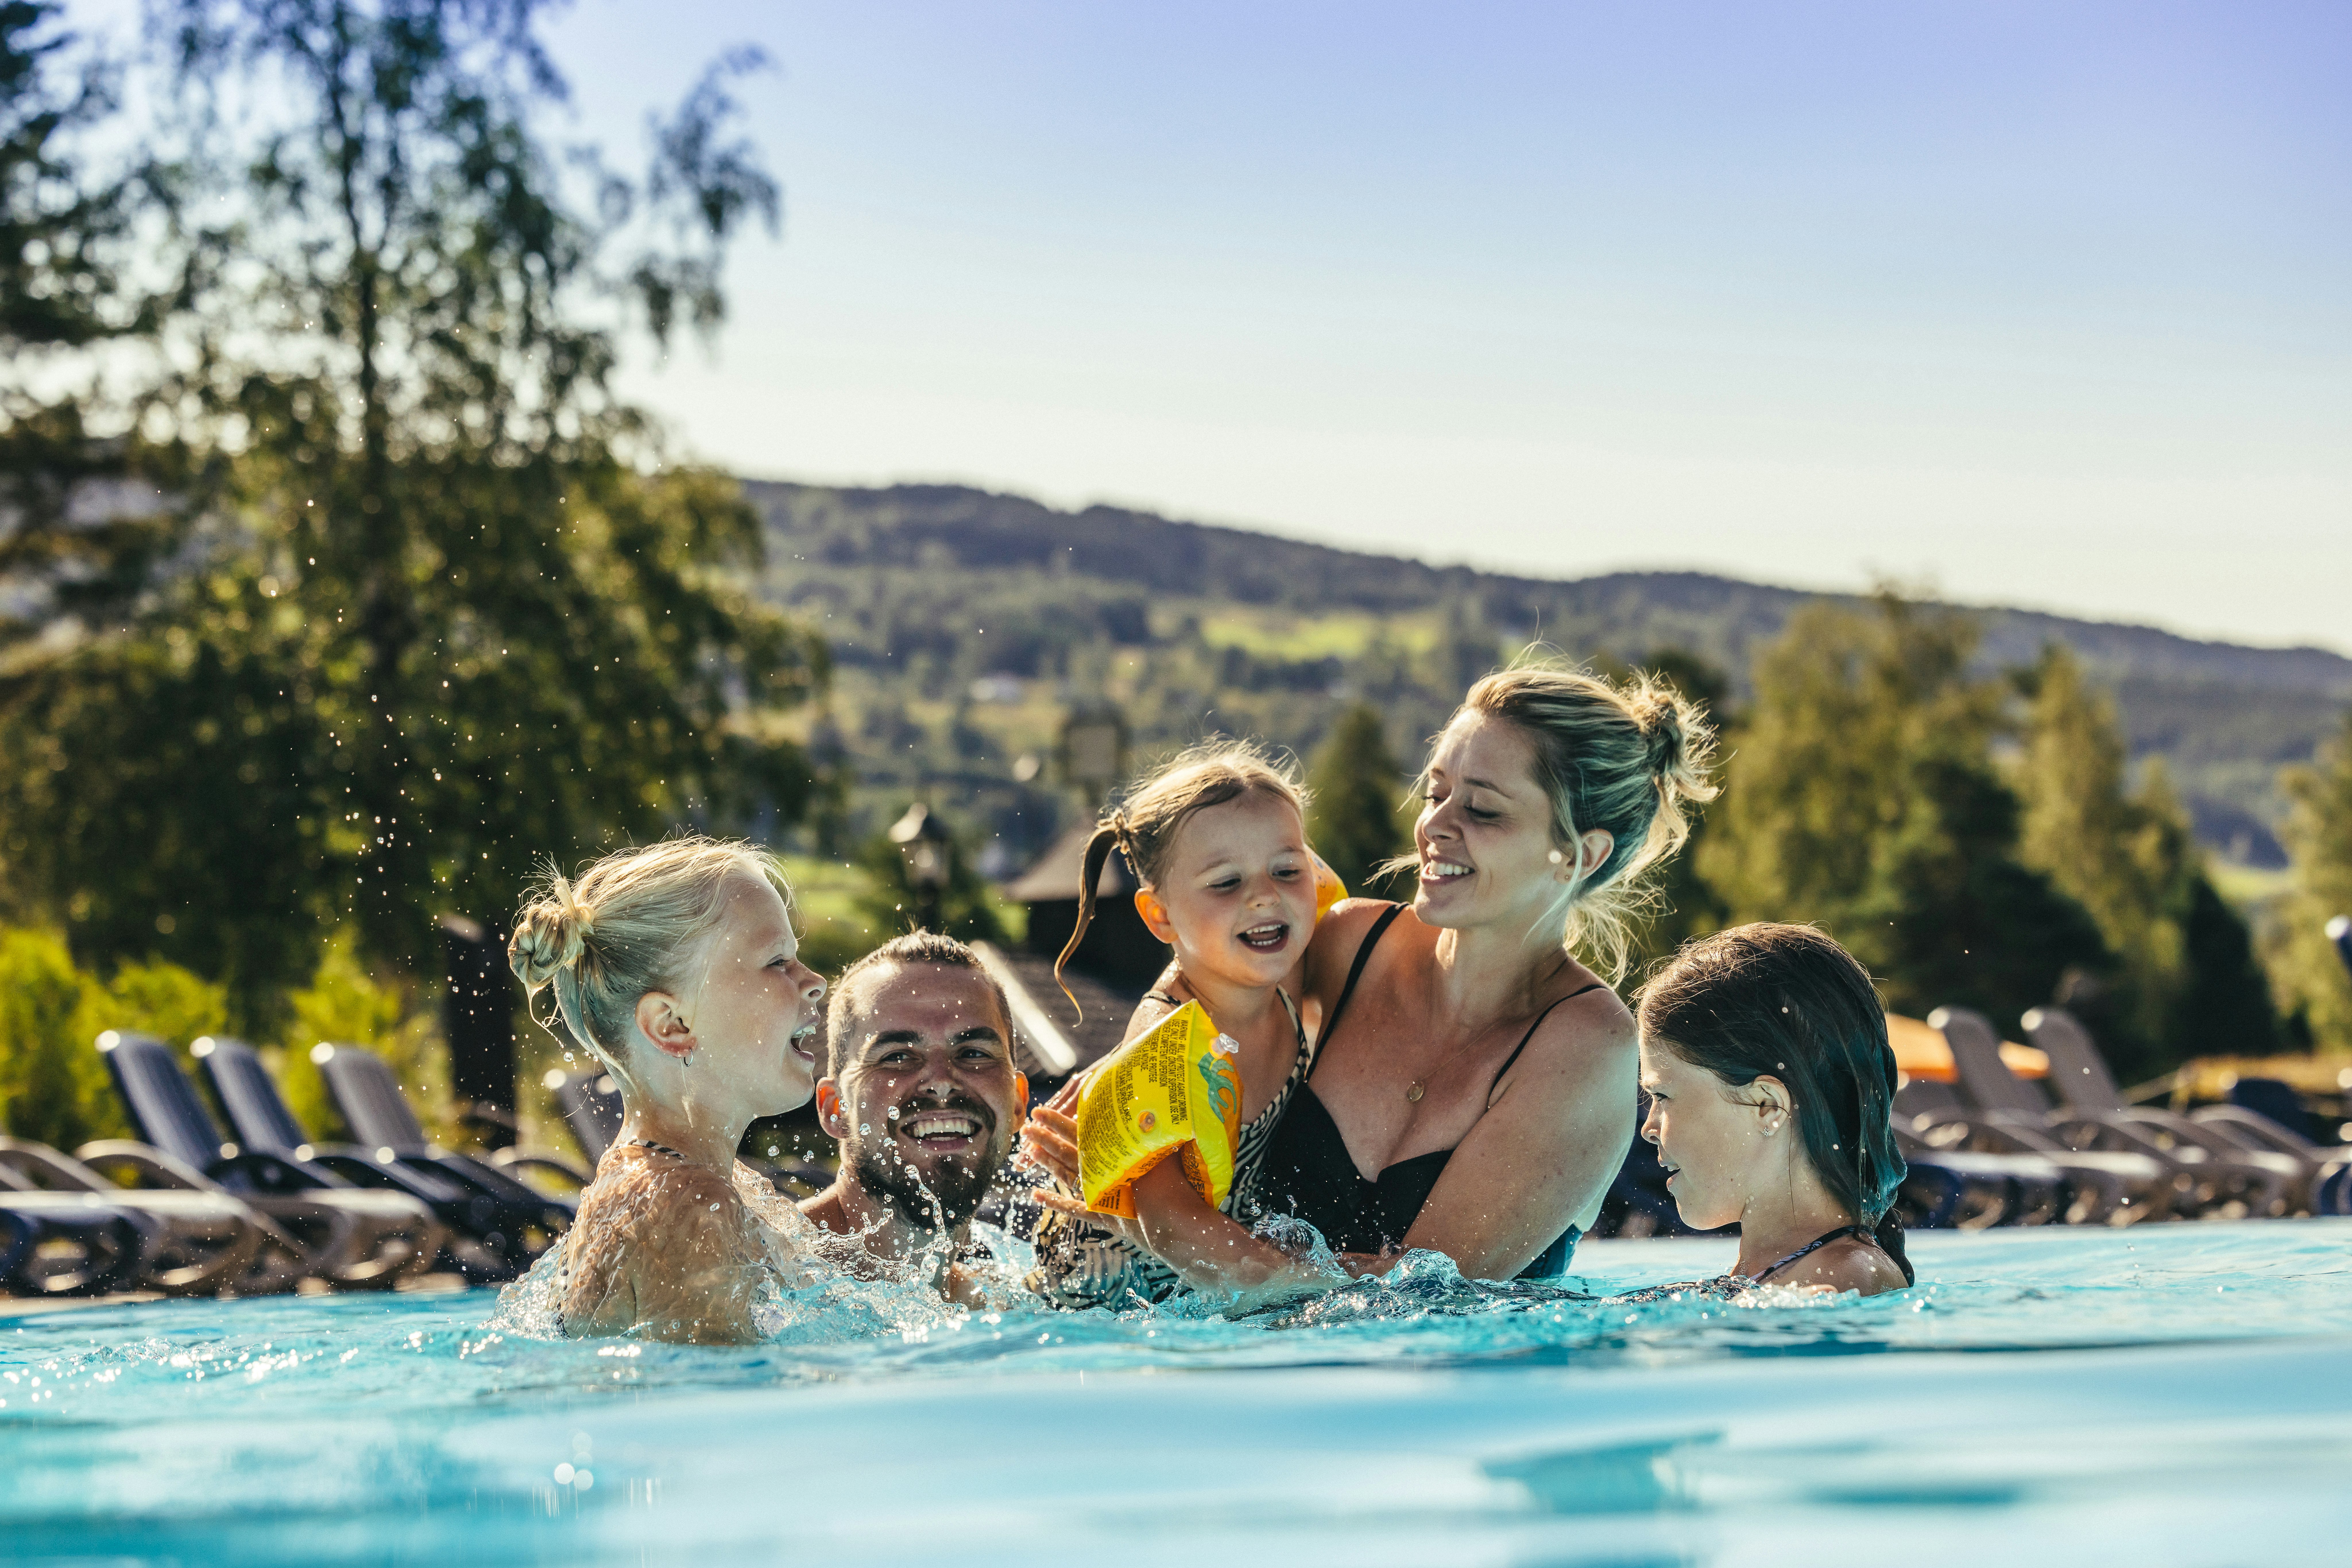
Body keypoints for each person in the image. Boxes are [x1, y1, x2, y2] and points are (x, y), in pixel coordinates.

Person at [1028, 661, 1716, 1293]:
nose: (1434, 827)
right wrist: (1134, 1089)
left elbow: (1413, 1302)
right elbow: (1207, 951)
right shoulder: (1349, 943)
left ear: (1578, 855)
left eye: (1481, 809)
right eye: (1436, 792)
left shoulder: (1585, 1048)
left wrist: (1150, 1206)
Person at [1020, 743, 1325, 1307]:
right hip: (1107, 1310)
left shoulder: (1285, 968)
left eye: (1286, 870)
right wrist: (1319, 1290)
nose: (1265, 896)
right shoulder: (1166, 1042)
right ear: (1160, 916)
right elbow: (1168, 1221)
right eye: (1225, 883)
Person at [508, 837, 830, 1344]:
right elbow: (722, 1415)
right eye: (777, 962)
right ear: (672, 1024)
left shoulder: (701, 1185)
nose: (815, 981)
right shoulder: (691, 1211)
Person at [1635, 923, 1913, 1295]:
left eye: (1663, 1096)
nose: (1649, 1127)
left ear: (1767, 1106)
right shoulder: (1780, 1276)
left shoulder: (1843, 1278)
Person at [800, 933, 1029, 1305]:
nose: (941, 1081)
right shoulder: (758, 1275)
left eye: (973, 1052)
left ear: (1018, 1103)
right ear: (835, 1108)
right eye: (897, 1056)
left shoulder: (993, 1303)